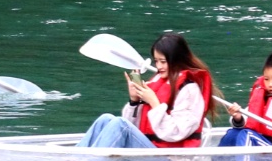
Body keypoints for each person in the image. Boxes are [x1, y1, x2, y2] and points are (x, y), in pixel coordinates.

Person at [80, 33, 214, 149]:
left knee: (119, 124)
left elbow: (175, 133)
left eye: (163, 61)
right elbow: (133, 129)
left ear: (177, 60)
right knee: (106, 119)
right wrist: (134, 101)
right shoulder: (157, 83)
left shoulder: (189, 90)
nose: (159, 66)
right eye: (156, 61)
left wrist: (154, 103)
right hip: (146, 153)